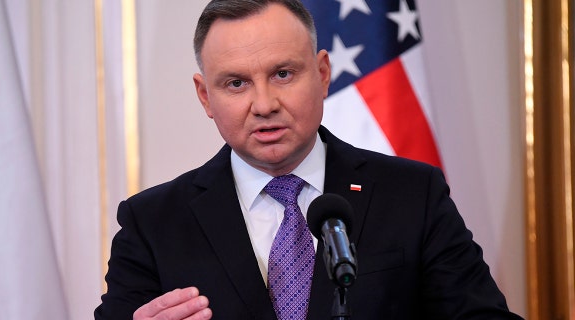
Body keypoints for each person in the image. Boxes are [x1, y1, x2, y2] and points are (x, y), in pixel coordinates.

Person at [95, 0, 523, 319]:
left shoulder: (413, 195)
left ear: (321, 74)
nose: (263, 104)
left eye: (283, 74)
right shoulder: (153, 222)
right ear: (205, 96)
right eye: (236, 83)